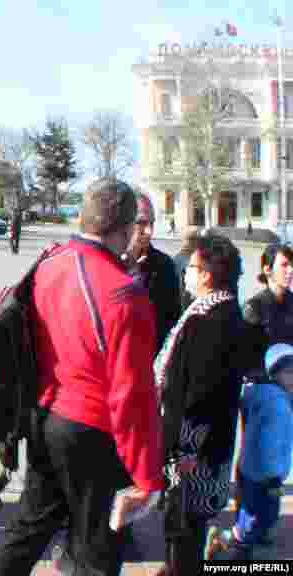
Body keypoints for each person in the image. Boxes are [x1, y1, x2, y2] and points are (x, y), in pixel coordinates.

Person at [0, 178, 165, 576]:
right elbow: (131, 394)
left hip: (47, 418)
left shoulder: (50, 263)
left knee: (28, 530)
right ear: (125, 228)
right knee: (96, 552)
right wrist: (148, 474)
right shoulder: (125, 294)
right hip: (94, 432)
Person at [154, 232, 245, 575]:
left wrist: (185, 451)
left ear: (207, 275)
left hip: (193, 452)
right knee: (184, 529)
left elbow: (202, 395)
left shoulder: (210, 321)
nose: (186, 273)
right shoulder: (217, 310)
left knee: (184, 530)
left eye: (191, 267)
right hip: (200, 448)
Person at [205, 343, 293, 562]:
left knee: (259, 515)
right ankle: (227, 542)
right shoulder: (276, 404)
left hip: (252, 469)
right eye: (289, 373)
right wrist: (273, 478)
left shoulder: (262, 394)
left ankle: (242, 540)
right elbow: (270, 443)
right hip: (265, 475)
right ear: (274, 374)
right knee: (259, 517)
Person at [122, 194, 181, 352]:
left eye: (152, 223)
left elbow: (171, 322)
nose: (148, 231)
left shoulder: (164, 266)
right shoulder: (103, 262)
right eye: (141, 223)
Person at [243, 243, 293, 379]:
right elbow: (246, 358)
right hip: (266, 383)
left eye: (292, 264)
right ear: (267, 269)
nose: (290, 270)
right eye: (284, 265)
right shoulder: (254, 307)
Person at [172, 227, 200, 312]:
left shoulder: (200, 257)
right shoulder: (178, 260)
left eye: (196, 239)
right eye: (192, 239)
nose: (195, 242)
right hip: (184, 301)